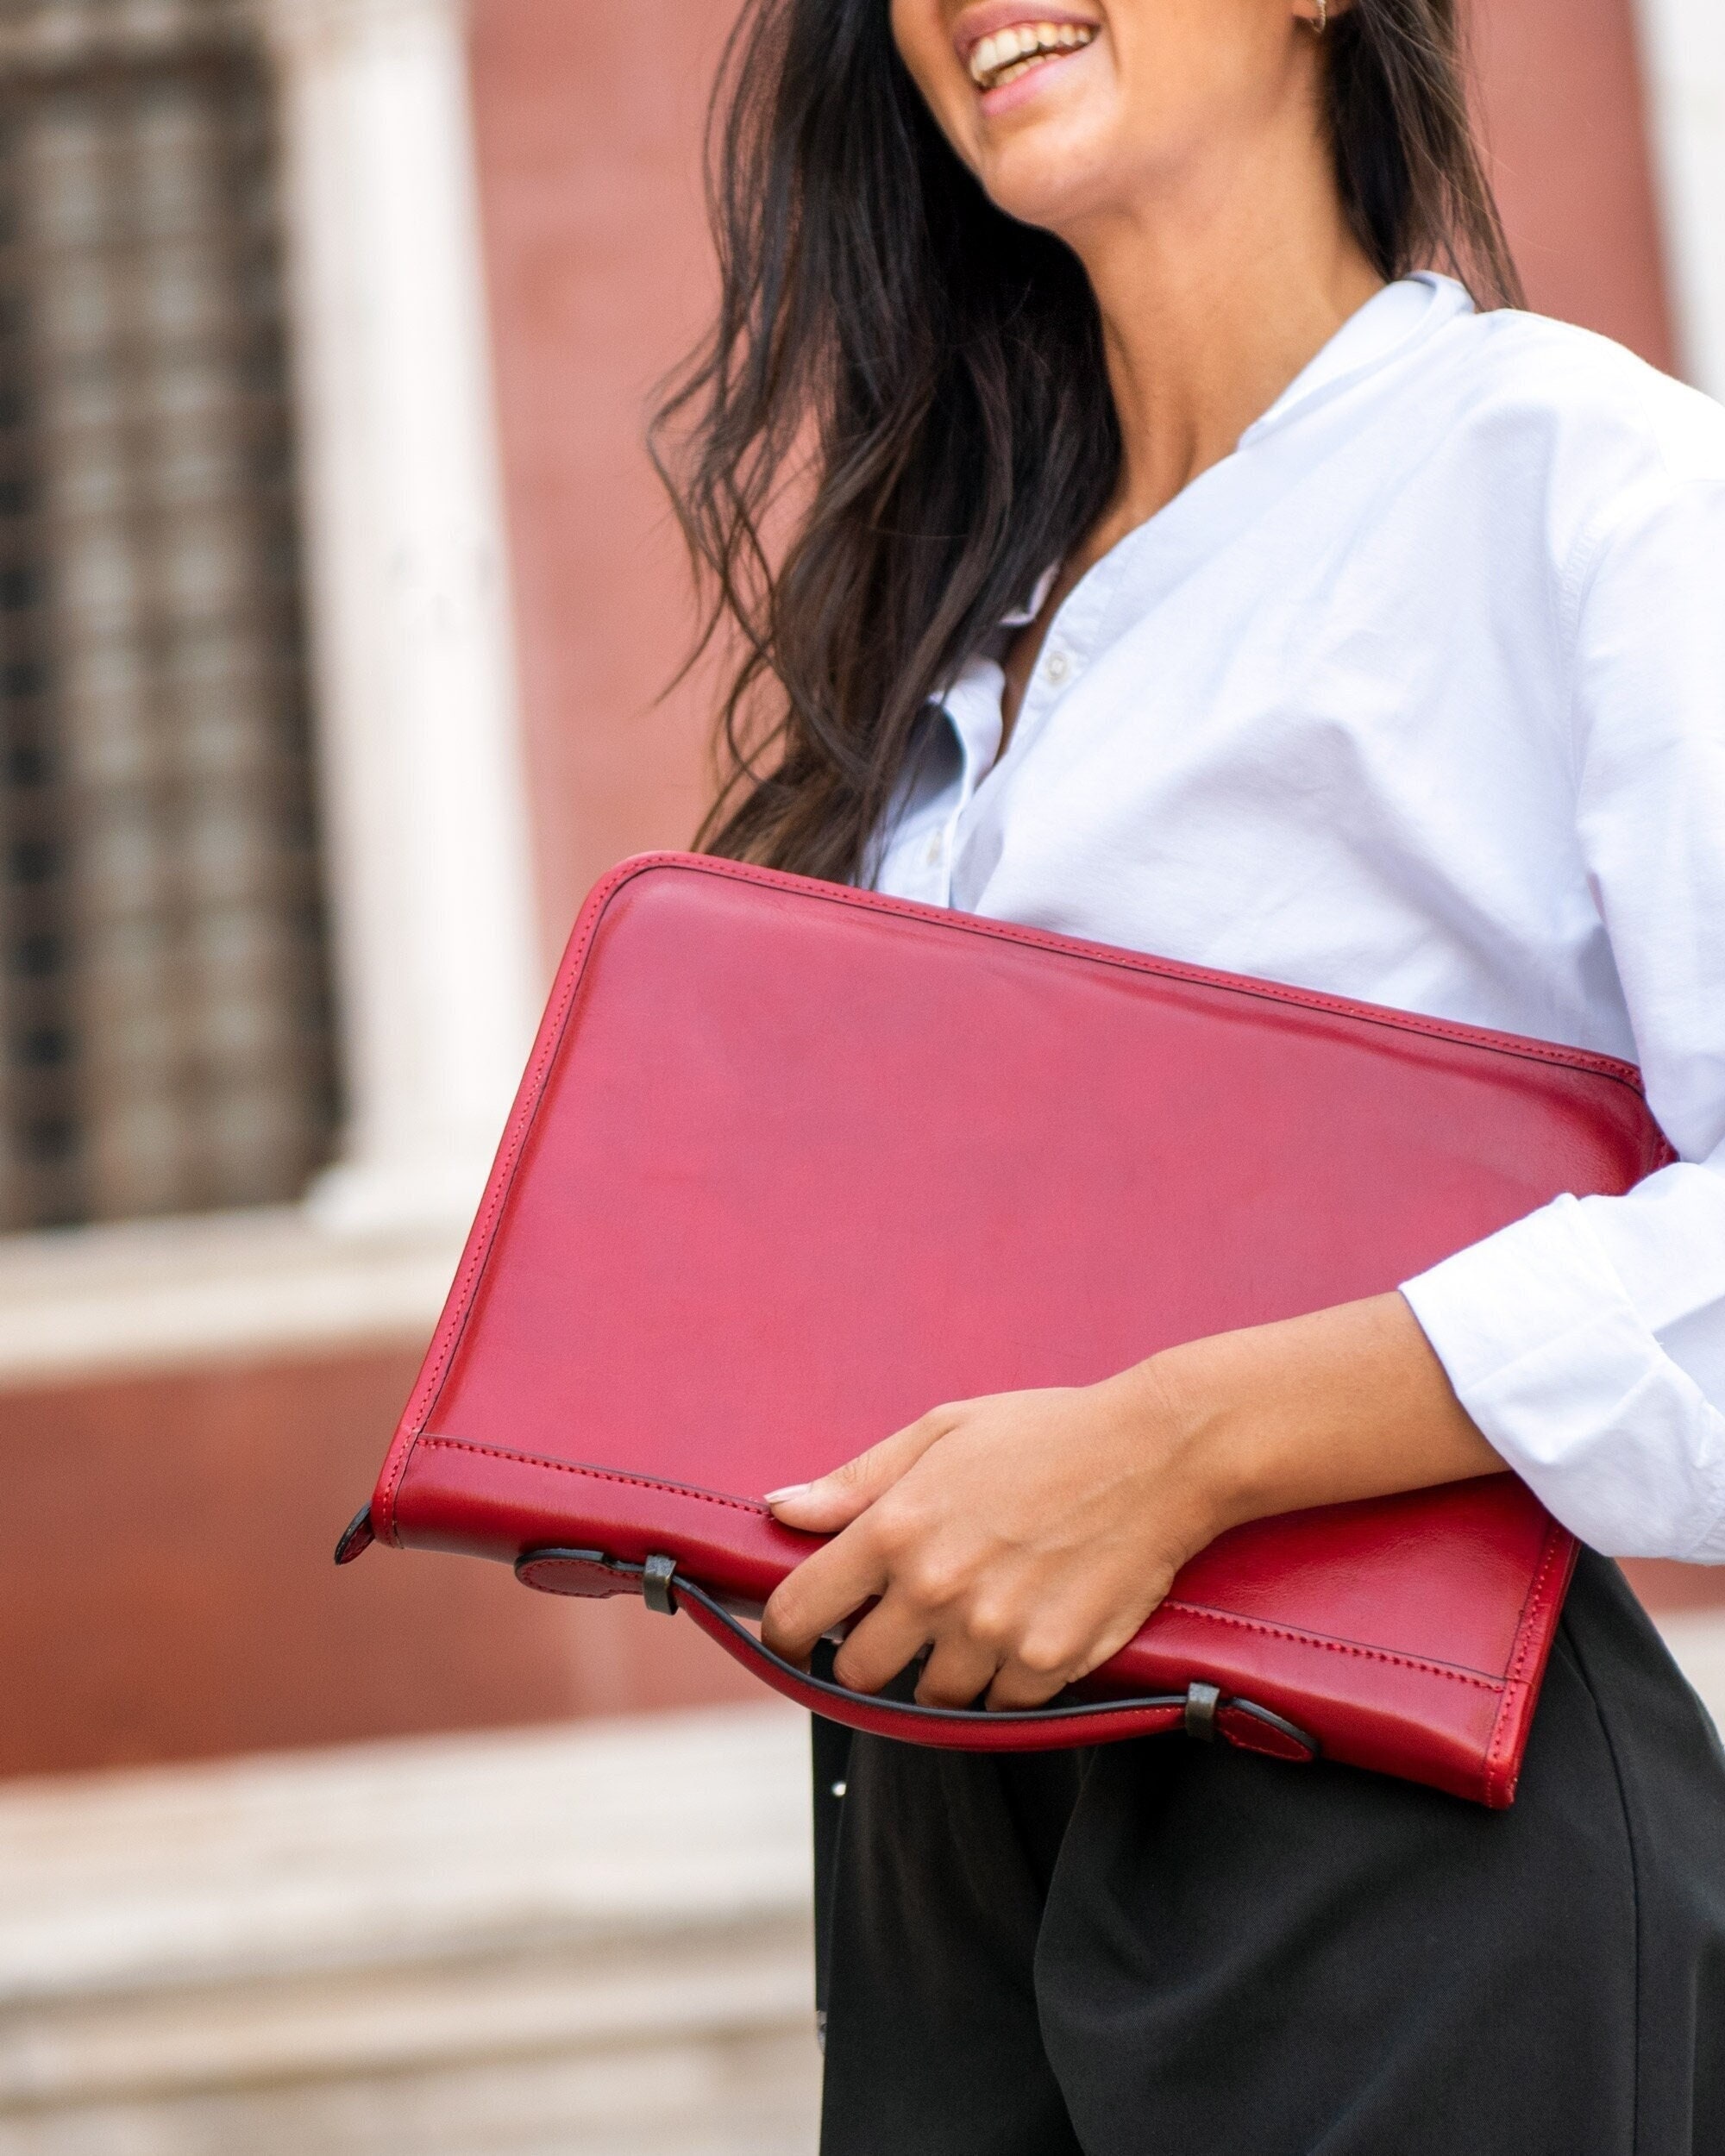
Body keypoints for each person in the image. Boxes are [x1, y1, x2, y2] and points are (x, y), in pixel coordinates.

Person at [652, 2, 1725, 2148]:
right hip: (944, 1824)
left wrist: (1181, 1444)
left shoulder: (1584, 490)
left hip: (1395, 1825)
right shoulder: (964, 624)